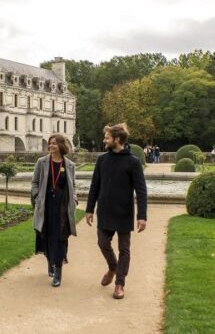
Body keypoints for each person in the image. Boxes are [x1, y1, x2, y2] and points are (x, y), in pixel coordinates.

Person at [85, 123, 148, 299]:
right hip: (104, 210)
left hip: (124, 211)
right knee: (102, 242)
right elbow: (94, 186)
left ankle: (120, 283)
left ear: (117, 140)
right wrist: (90, 209)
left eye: (107, 138)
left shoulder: (133, 162)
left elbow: (141, 190)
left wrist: (142, 216)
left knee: (124, 249)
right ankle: (113, 267)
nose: (104, 140)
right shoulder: (102, 160)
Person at [31, 133, 78, 287]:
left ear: (61, 146)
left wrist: (75, 199)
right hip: (46, 205)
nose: (51, 146)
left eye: (54, 143)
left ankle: (58, 271)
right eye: (50, 143)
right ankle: (50, 261)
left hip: (62, 206)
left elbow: (73, 186)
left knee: (61, 237)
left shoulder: (69, 164)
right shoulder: (42, 162)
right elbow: (35, 183)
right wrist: (37, 197)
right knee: (46, 235)